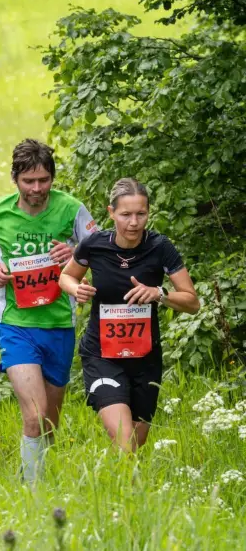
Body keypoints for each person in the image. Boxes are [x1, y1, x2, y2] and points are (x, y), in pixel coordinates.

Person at [0, 139, 96, 484]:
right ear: (15, 179)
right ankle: (31, 491)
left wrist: (73, 253)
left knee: (49, 421)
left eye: (43, 180)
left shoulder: (72, 209)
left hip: (58, 322)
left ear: (52, 178)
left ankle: (40, 477)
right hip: (15, 324)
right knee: (35, 415)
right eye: (28, 181)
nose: (37, 188)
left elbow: (100, 249)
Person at [59, 178, 200, 453]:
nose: (134, 222)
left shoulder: (160, 247)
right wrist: (77, 290)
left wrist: (159, 293)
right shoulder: (94, 245)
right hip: (102, 354)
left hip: (145, 358)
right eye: (125, 214)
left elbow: (192, 302)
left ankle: (120, 481)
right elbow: (66, 276)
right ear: (111, 213)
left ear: (148, 212)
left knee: (136, 444)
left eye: (141, 214)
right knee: (125, 443)